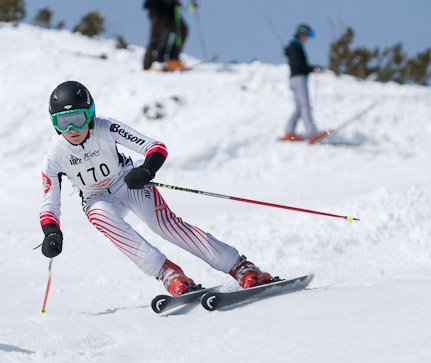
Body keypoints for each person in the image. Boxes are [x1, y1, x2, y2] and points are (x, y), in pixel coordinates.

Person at [39, 81, 279, 296]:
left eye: (78, 119)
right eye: (63, 122)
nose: (72, 129)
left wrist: (146, 170)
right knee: (100, 217)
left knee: (165, 225)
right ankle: (169, 274)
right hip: (95, 197)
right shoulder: (54, 155)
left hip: (126, 181)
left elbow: (155, 147)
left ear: (90, 114)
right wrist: (51, 232)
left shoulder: (106, 127)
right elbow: (50, 202)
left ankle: (240, 266)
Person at [281, 23, 325, 143]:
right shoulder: (295, 46)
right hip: (299, 79)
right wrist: (312, 69)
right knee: (305, 106)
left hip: (294, 79)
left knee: (299, 108)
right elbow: (298, 65)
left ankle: (289, 132)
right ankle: (312, 133)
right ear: (301, 33)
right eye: (307, 35)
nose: (307, 38)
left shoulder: (294, 46)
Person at [143, 0, 188, 71]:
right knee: (156, 37)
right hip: (157, 6)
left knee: (181, 30)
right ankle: (149, 65)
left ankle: (172, 60)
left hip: (170, 8)